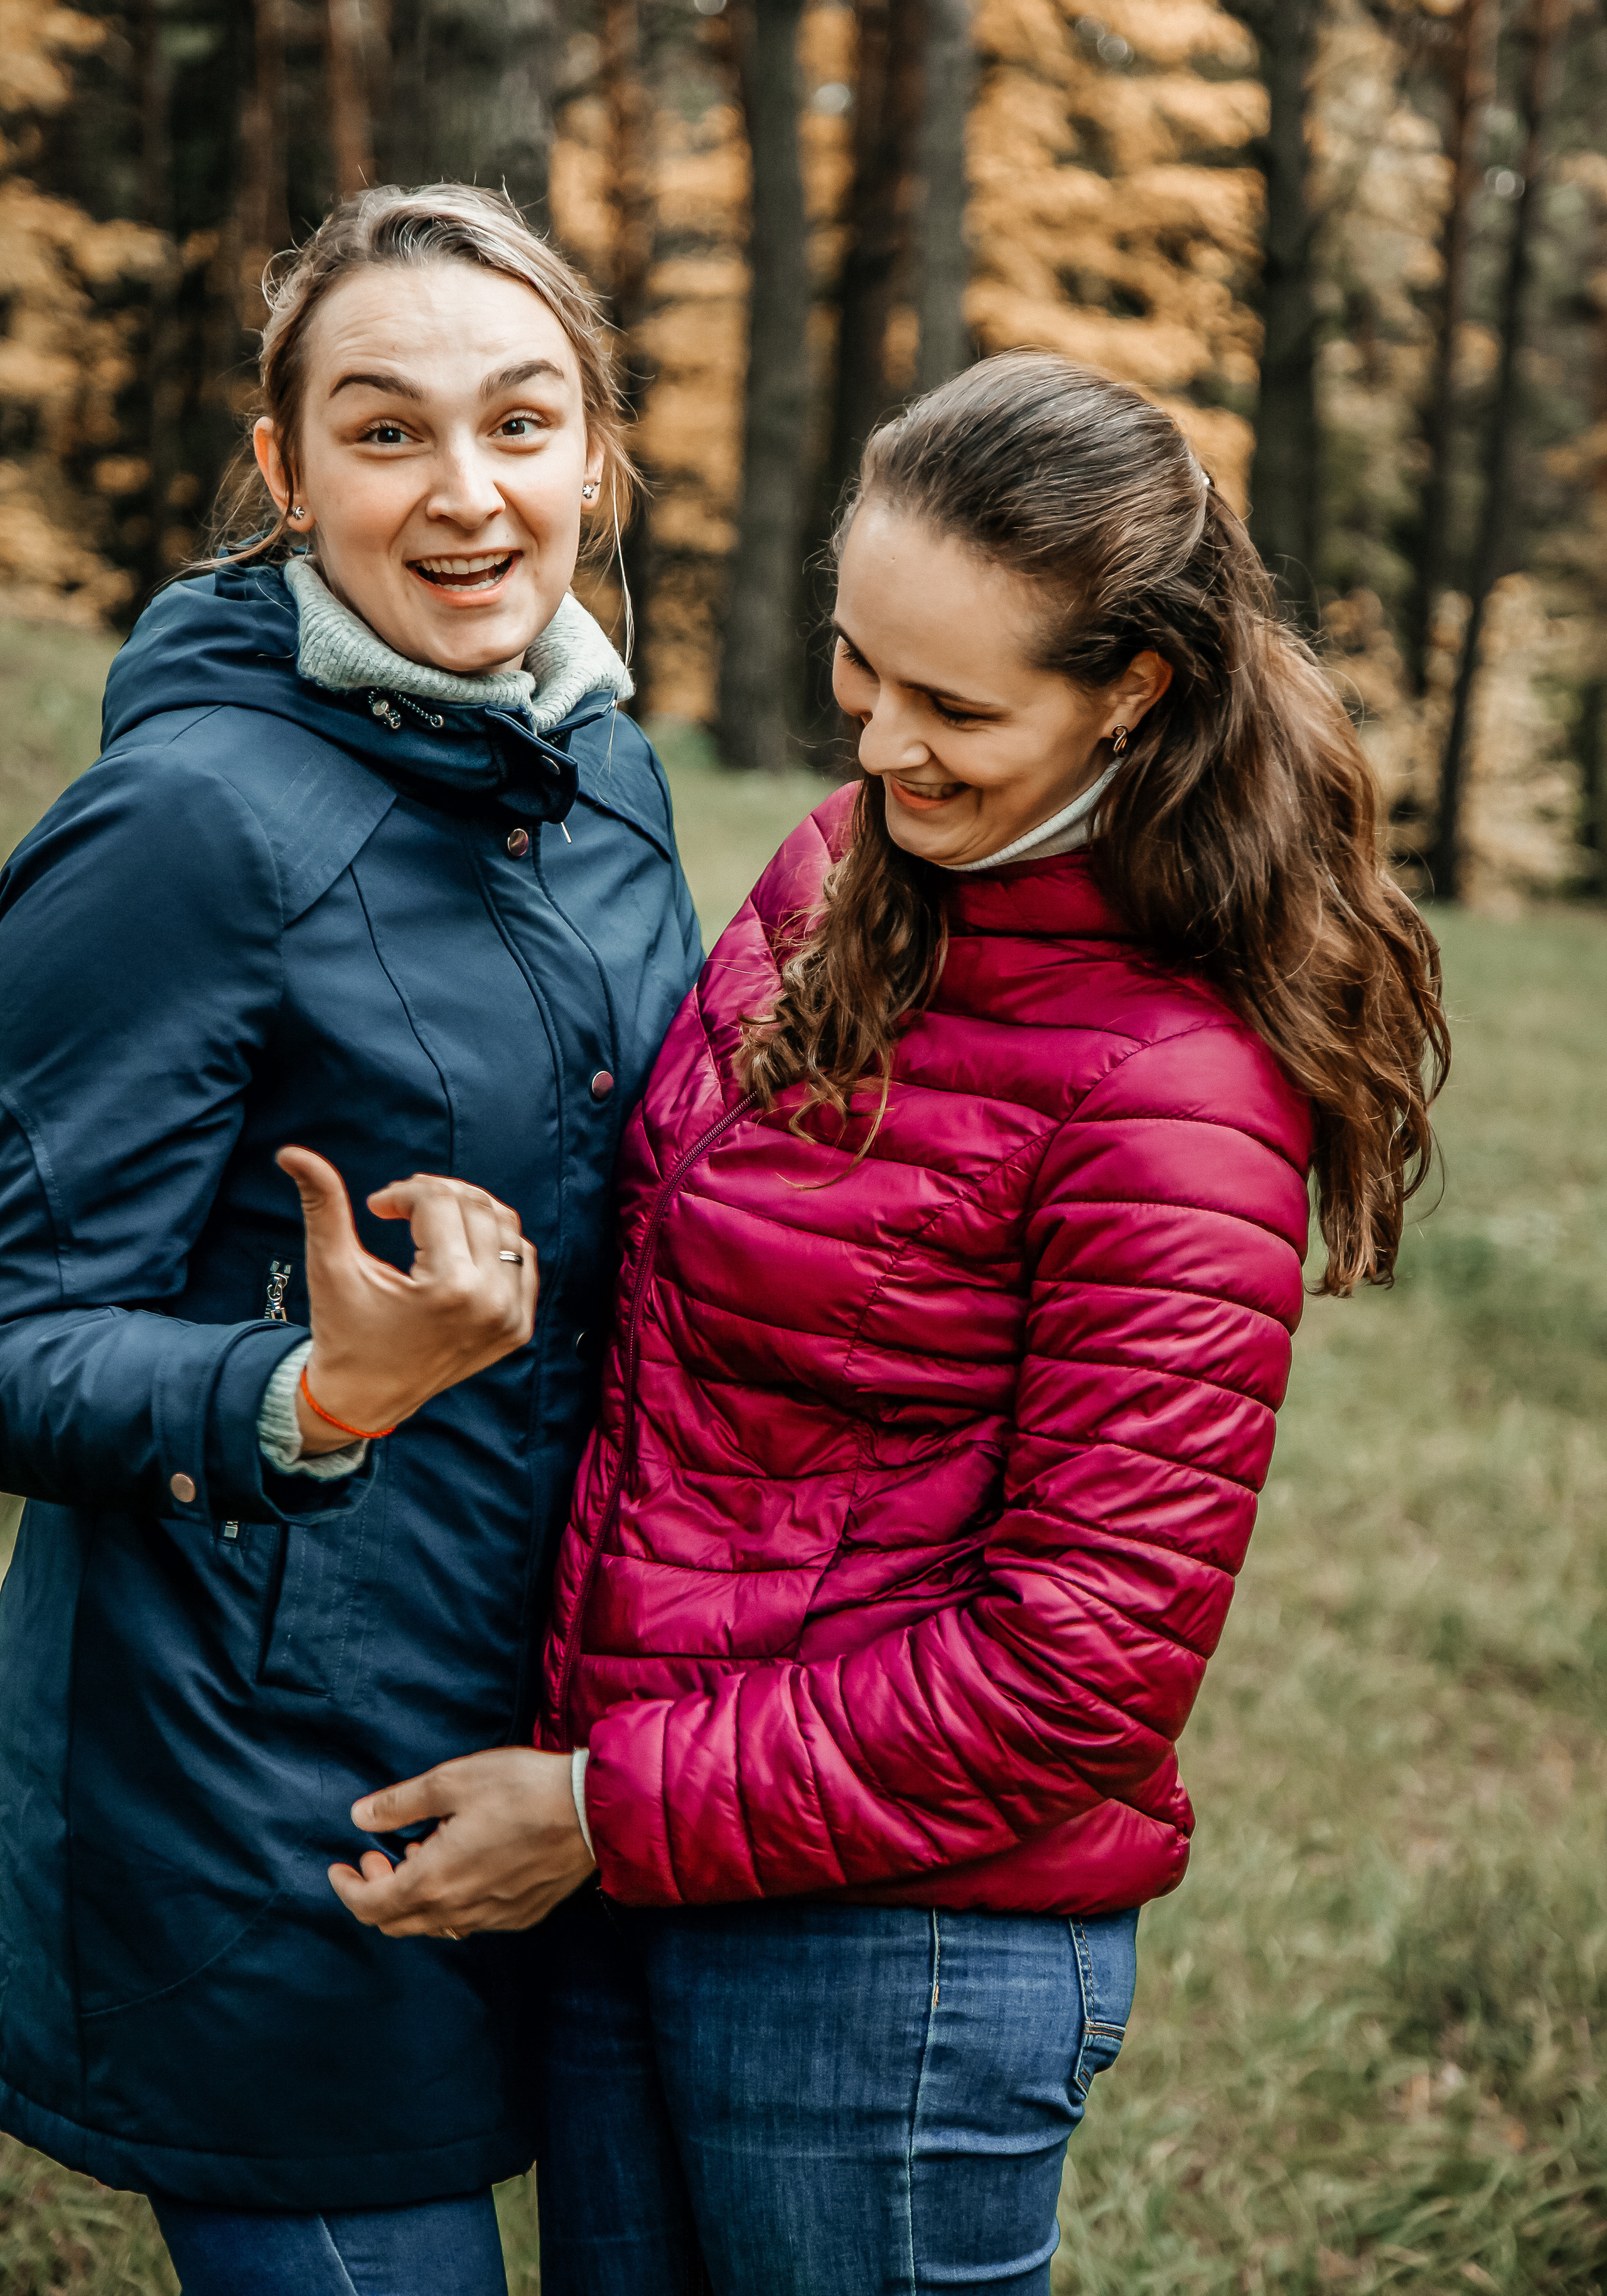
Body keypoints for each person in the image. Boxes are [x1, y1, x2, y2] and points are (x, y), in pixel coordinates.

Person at [325, 355, 1451, 2294]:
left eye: (957, 708)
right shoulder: (848, 877)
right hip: (646, 1869)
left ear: (1134, 692)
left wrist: (604, 1808)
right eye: (861, 667)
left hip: (894, 1957)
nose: (882, 747)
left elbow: (1079, 1674)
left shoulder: (1177, 1090)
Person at [0, 183, 700, 2296]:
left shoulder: (606, 774)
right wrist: (305, 1392)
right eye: (387, 431)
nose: (469, 495)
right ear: (286, 469)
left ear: (599, 455)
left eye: (523, 422)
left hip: (573, 1765)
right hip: (280, 1819)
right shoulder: (191, 823)